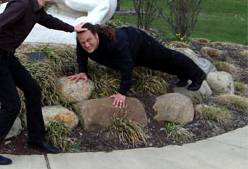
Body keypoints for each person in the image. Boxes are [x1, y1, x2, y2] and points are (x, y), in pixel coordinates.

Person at [0, 0, 86, 165]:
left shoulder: (37, 9)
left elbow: (50, 21)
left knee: (33, 89)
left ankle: (36, 139)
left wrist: (72, 28)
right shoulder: (22, 5)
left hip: (6, 56)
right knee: (11, 105)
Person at [68, 23, 206, 109]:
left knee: (167, 57)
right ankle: (183, 75)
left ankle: (198, 75)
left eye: (89, 40)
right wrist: (82, 71)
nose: (86, 45)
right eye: (83, 42)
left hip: (140, 43)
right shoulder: (82, 42)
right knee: (160, 66)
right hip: (132, 51)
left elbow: (127, 68)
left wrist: (122, 93)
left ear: (96, 36)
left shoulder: (116, 44)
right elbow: (81, 55)